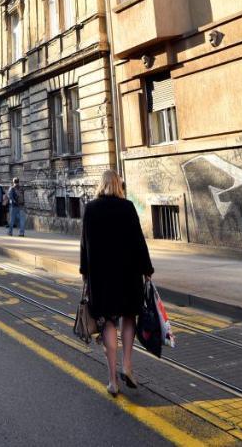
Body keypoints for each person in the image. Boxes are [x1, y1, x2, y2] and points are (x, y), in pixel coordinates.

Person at [80, 170, 153, 397]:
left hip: (101, 277)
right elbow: (138, 241)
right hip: (128, 274)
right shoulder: (127, 207)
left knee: (108, 322)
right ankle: (128, 365)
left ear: (101, 185)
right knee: (129, 316)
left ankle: (112, 380)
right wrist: (147, 270)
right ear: (119, 185)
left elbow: (85, 244)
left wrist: (85, 272)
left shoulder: (90, 209)